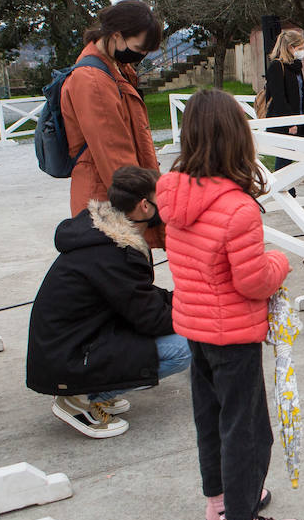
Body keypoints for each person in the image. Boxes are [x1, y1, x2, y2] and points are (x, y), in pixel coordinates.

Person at [155, 88, 300, 520]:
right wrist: (279, 261)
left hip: (194, 327)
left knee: (211, 418)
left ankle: (220, 503)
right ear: (238, 139)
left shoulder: (173, 193)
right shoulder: (237, 208)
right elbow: (253, 280)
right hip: (233, 334)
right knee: (247, 428)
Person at [26, 166, 192, 439]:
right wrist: (196, 310)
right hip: (68, 357)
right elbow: (150, 319)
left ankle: (96, 389)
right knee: (183, 346)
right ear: (144, 206)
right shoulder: (114, 253)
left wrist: (182, 299)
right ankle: (82, 398)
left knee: (172, 329)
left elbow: (138, 297)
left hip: (69, 345)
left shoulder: (101, 233)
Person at [61, 0, 164, 248]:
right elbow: (115, 158)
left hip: (114, 199)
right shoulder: (94, 81)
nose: (140, 56)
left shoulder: (113, 68)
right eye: (138, 48)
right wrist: (147, 207)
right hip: (109, 204)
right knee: (119, 277)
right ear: (116, 36)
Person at [264, 29, 304, 184]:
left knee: (292, 157)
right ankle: (281, 188)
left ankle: (288, 187)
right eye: (300, 48)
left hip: (299, 117)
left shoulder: (296, 67)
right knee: (284, 157)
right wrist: (290, 122)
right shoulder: (277, 67)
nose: (302, 52)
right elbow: (279, 98)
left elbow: (301, 93)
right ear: (290, 47)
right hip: (284, 121)